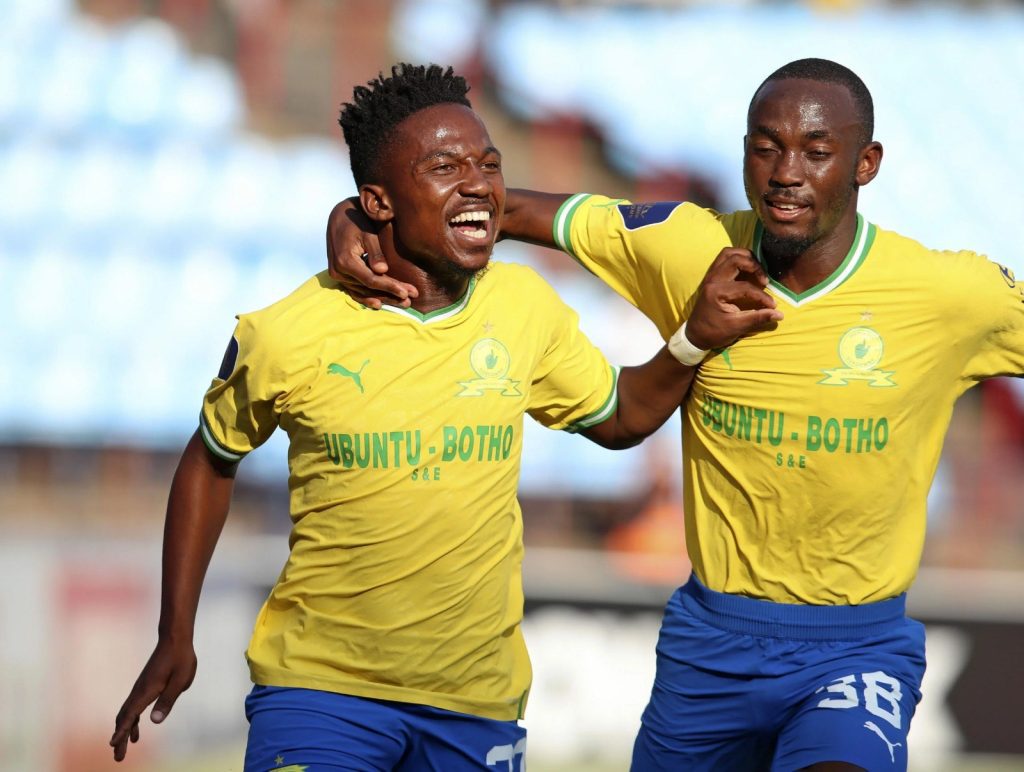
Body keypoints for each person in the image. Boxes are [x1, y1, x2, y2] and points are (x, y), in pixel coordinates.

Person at [325, 58, 1024, 771]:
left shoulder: (950, 294)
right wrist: (352, 215)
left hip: (854, 649)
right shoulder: (685, 245)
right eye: (765, 146)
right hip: (709, 646)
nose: (786, 171)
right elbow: (497, 211)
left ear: (864, 163)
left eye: (816, 152)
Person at [109, 63, 779, 771]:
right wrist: (173, 631)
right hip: (320, 694)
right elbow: (211, 457)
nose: (479, 183)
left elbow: (619, 417)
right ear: (378, 201)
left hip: (475, 703)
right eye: (445, 166)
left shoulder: (522, 306)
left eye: (488, 163)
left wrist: (693, 339)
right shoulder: (288, 333)